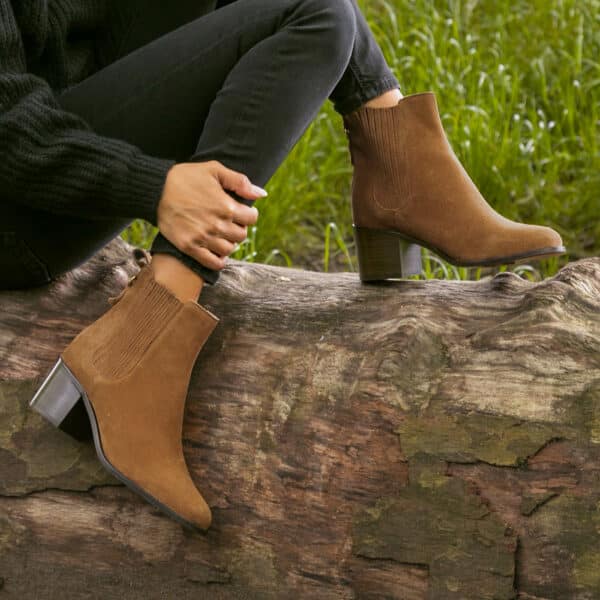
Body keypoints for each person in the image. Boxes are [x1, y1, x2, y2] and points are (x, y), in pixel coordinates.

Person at [3, 0, 565, 532]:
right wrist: (154, 187)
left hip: (56, 128)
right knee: (316, 14)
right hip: (16, 203)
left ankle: (400, 164)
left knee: (317, 9)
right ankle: (137, 343)